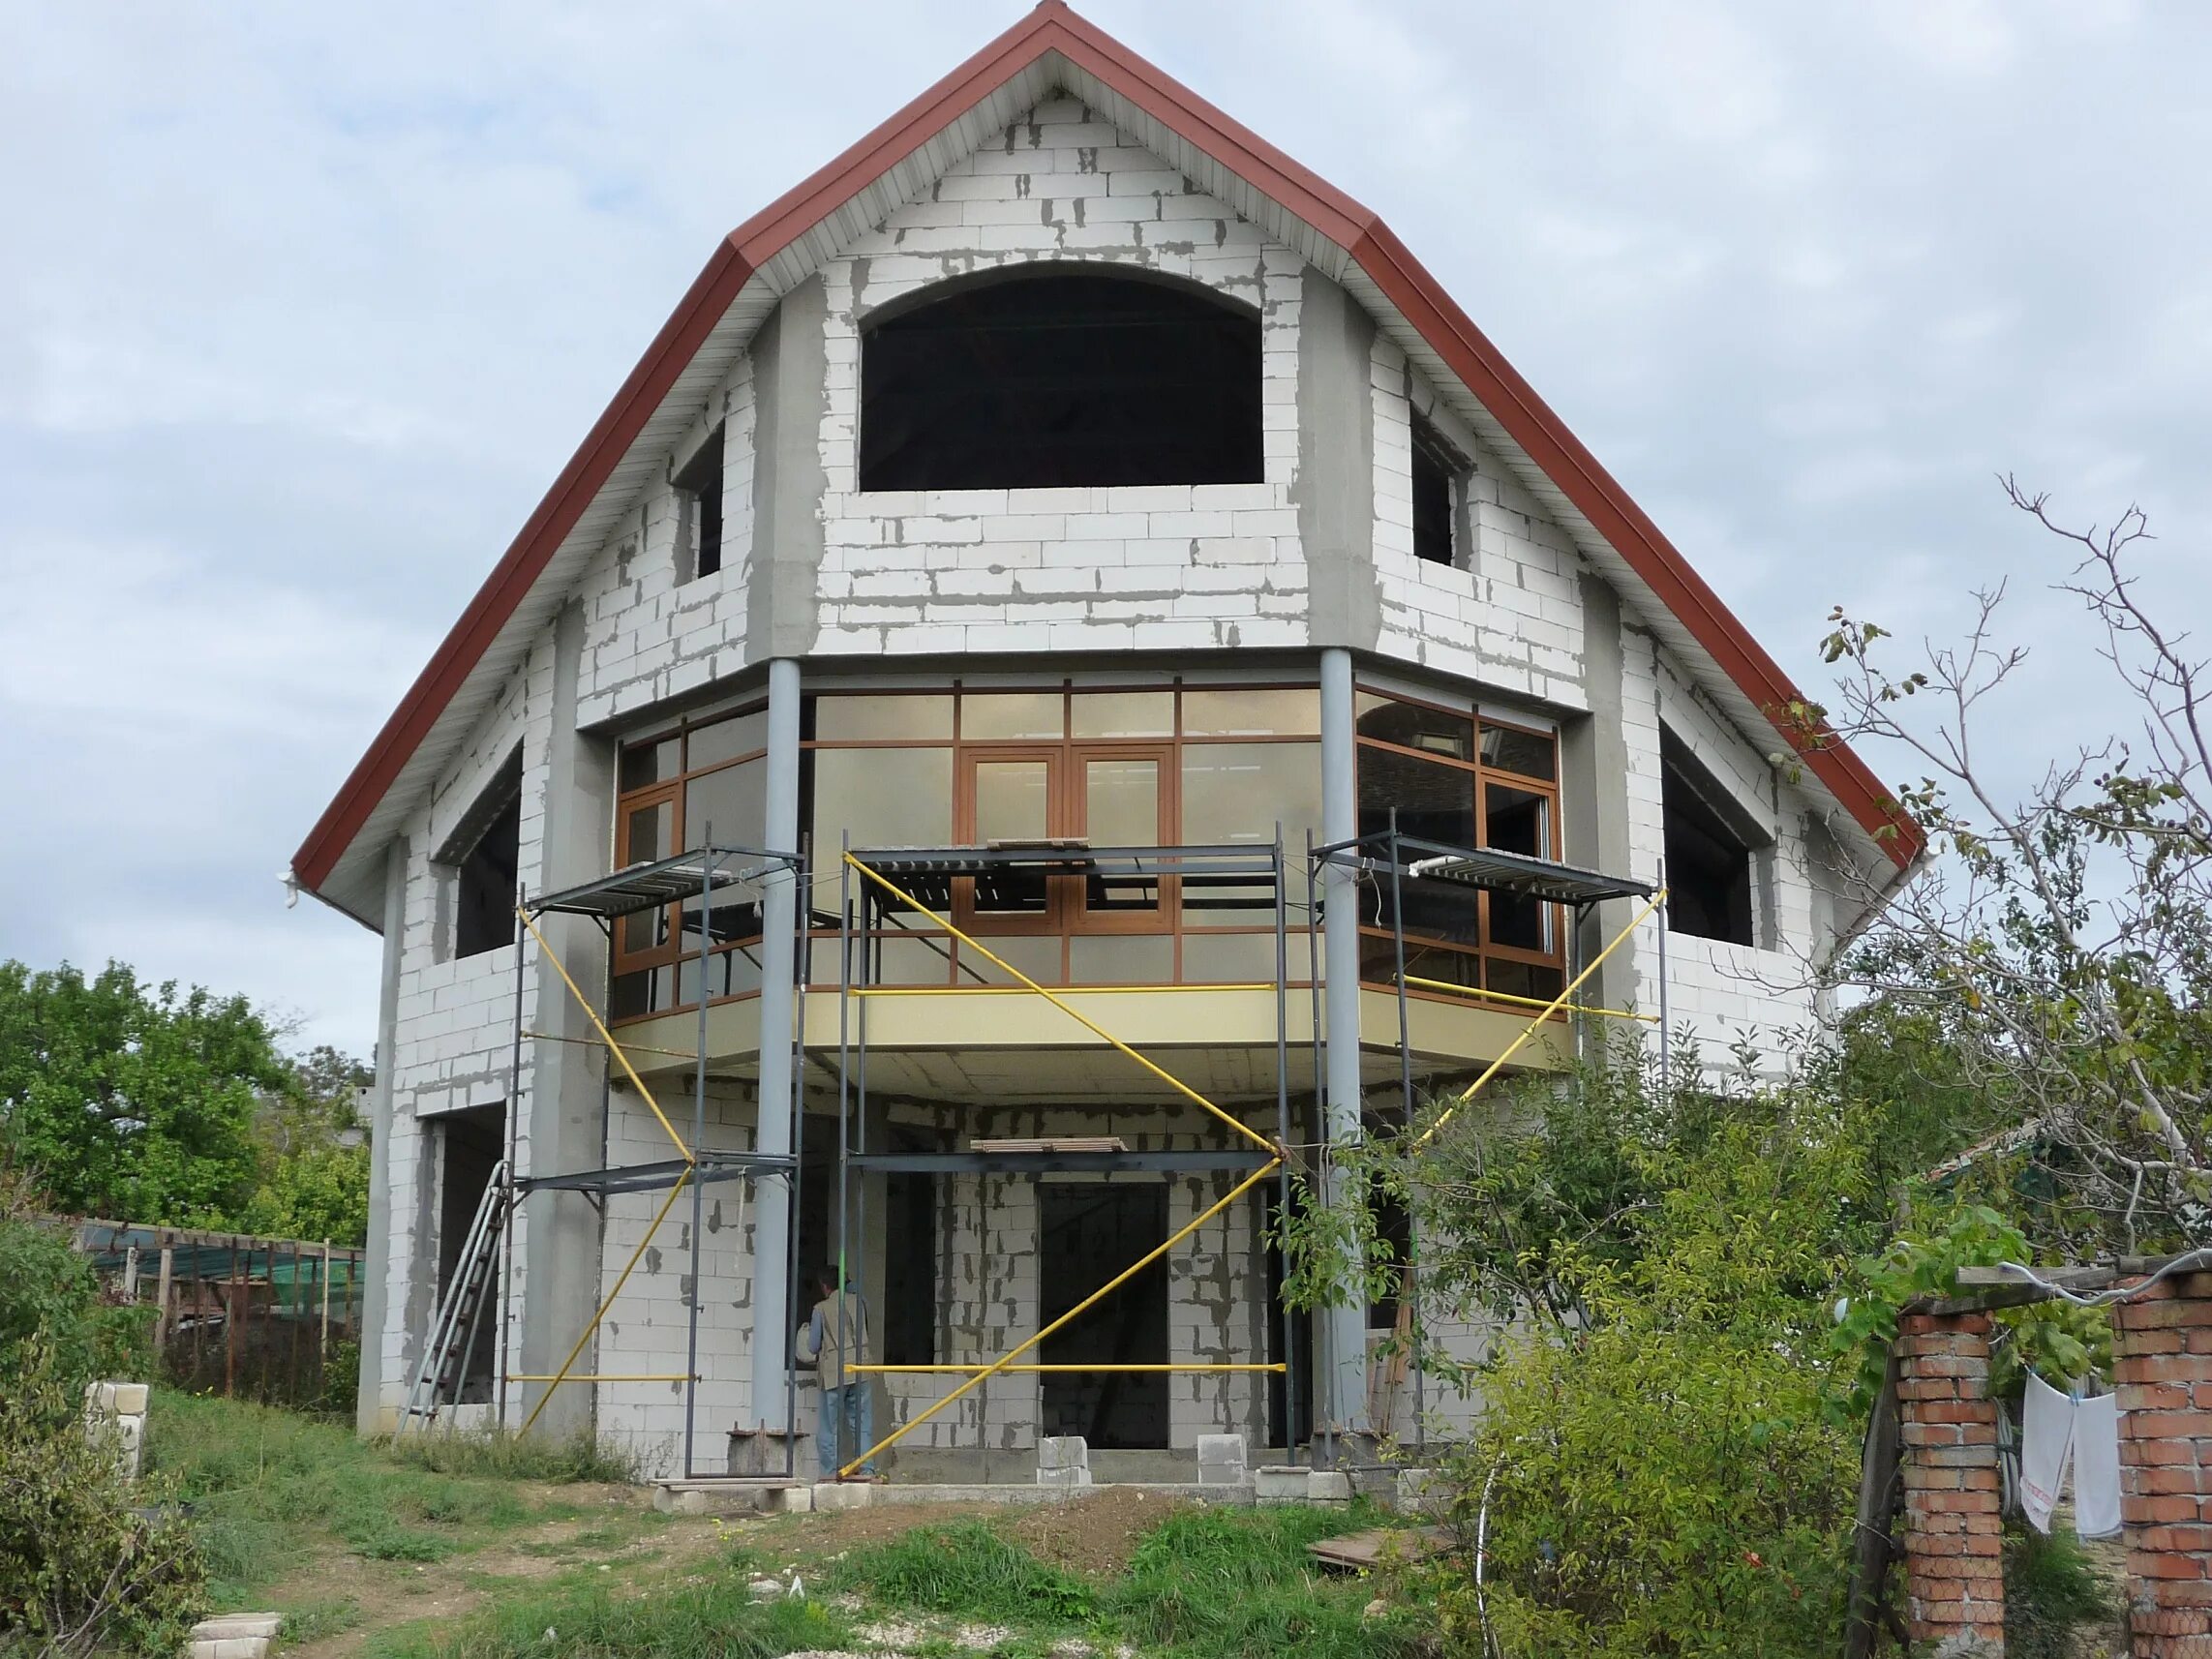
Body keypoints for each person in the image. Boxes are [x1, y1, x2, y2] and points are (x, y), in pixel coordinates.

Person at [801, 1265, 873, 1479]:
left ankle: (831, 1471)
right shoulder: (861, 1304)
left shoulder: (820, 1309)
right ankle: (867, 1467)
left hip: (834, 1372)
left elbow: (813, 1346)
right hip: (861, 1368)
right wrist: (848, 1282)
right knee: (861, 1422)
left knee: (828, 1425)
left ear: (824, 1286)